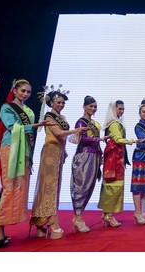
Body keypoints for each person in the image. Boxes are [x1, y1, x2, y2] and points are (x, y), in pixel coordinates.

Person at [0, 79, 51, 248]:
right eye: (23, 91)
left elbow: (28, 132)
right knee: (10, 186)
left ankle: (0, 226)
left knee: (19, 188)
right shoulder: (7, 107)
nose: (25, 94)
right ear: (15, 91)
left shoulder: (29, 110)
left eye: (28, 92)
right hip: (11, 148)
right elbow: (12, 127)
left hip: (25, 151)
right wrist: (36, 125)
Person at [29, 90, 86, 240]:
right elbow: (59, 133)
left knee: (54, 186)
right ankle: (51, 222)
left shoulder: (62, 117)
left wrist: (65, 151)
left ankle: (41, 224)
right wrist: (77, 130)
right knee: (48, 186)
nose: (61, 105)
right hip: (50, 152)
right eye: (58, 102)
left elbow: (64, 137)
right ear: (51, 103)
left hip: (59, 152)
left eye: (63, 103)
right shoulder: (48, 116)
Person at [70, 96, 110, 233]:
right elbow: (83, 139)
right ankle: (78, 217)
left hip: (94, 156)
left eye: (95, 107)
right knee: (81, 186)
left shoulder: (94, 123)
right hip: (84, 156)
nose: (93, 109)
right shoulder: (80, 122)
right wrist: (100, 138)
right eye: (91, 106)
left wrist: (100, 155)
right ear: (84, 107)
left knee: (90, 186)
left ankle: (78, 217)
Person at [98, 100, 137, 227]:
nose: (121, 111)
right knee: (114, 185)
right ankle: (109, 215)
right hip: (114, 158)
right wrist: (133, 141)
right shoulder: (114, 123)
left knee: (112, 184)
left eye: (123, 109)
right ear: (113, 109)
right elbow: (118, 139)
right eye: (119, 109)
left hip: (116, 156)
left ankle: (107, 213)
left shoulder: (116, 122)